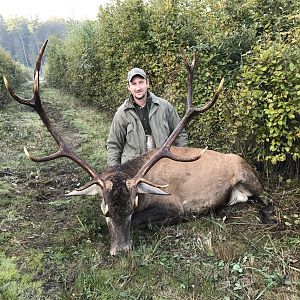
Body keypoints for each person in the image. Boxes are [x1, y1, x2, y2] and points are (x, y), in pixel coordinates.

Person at [106, 67, 188, 167]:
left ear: (147, 83)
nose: (138, 88)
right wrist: (114, 172)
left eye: (141, 82)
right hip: (134, 170)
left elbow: (180, 135)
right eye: (134, 84)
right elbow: (114, 145)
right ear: (129, 87)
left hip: (163, 166)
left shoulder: (165, 107)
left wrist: (181, 162)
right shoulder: (122, 113)